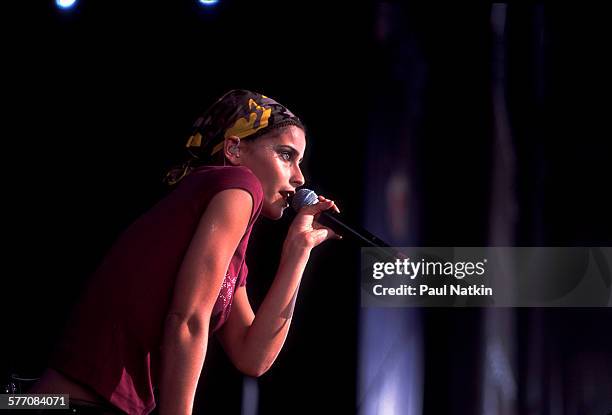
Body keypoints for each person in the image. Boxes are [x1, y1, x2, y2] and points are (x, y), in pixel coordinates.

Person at [29, 89, 341, 414]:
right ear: (234, 148)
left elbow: (253, 356)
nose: (299, 178)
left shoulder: (229, 244)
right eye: (286, 155)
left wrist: (298, 251)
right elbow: (188, 319)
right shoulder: (239, 184)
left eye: (299, 161)